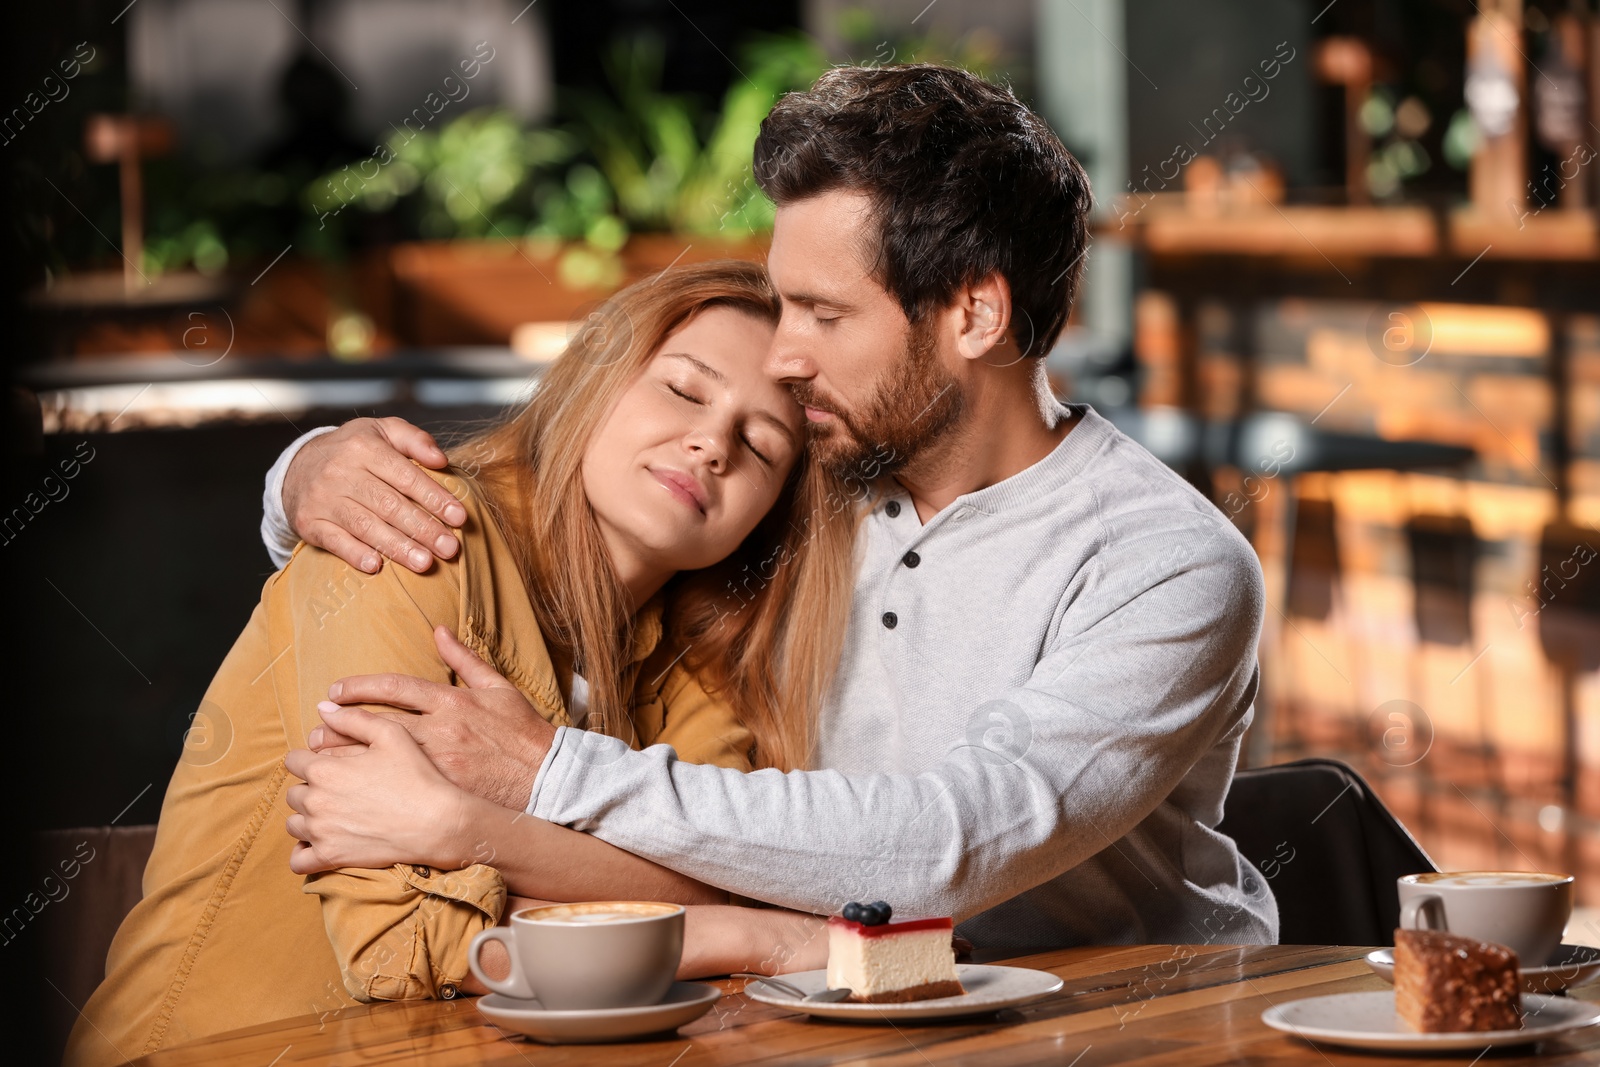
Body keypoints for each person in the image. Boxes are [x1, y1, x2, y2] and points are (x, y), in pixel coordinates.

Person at [274, 64, 1278, 964]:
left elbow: (944, 847)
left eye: (826, 314)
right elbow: (559, 514)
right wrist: (306, 475)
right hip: (833, 1004)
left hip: (1134, 1018)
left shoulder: (1168, 562)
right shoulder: (805, 473)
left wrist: (549, 772)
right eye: (784, 301)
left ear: (974, 313)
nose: (785, 355)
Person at [64, 261, 862, 1067]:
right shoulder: (406, 528)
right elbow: (405, 945)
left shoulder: (697, 668)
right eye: (685, 391)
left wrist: (478, 836)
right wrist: (751, 935)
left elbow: (733, 870)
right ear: (597, 377)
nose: (712, 443)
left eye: (762, 446)